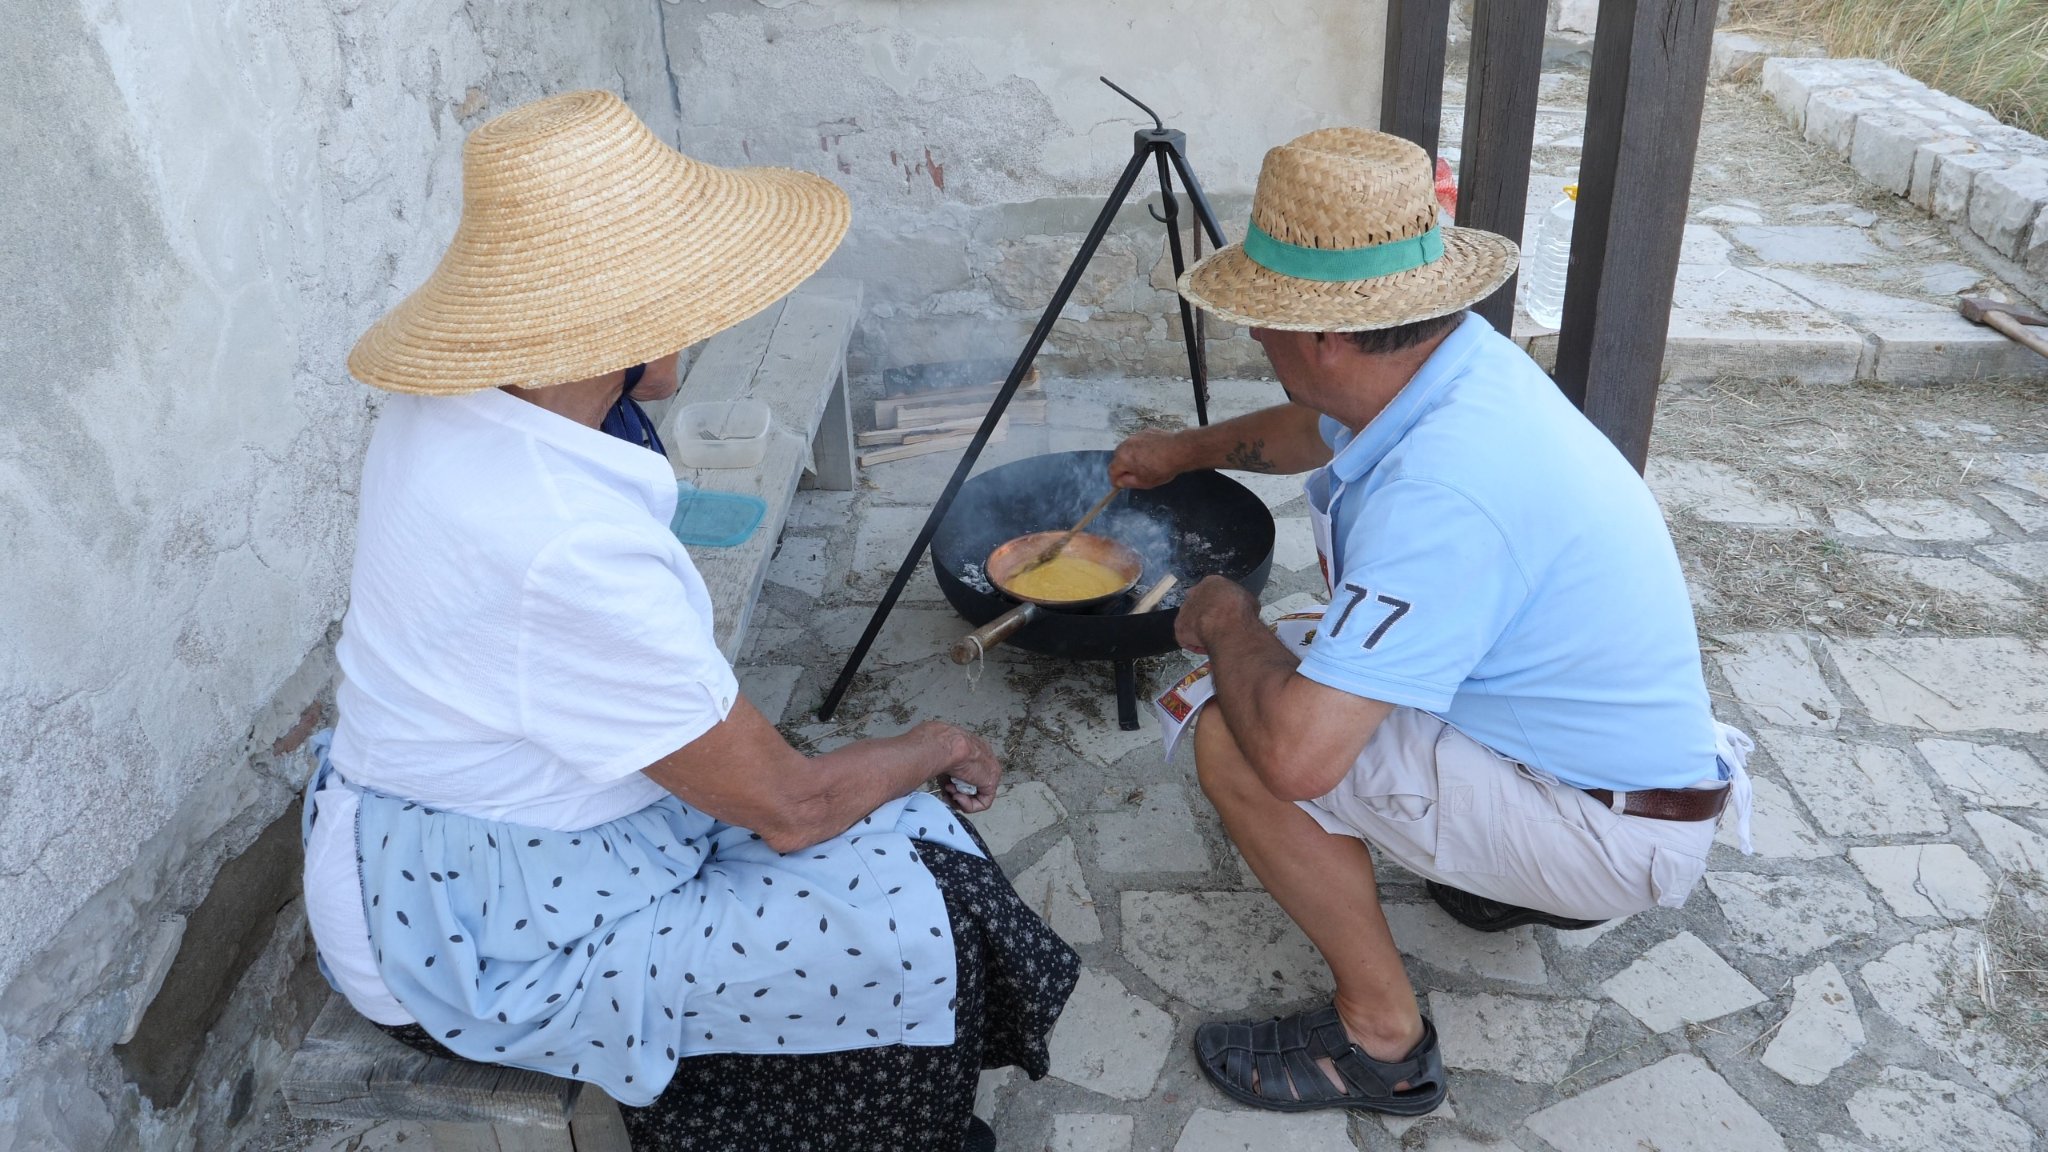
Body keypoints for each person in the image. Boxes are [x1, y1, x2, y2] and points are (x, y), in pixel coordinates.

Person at [300, 90, 1077, 1152]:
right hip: (474, 931)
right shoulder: (560, 543)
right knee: (903, 925)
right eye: (687, 293)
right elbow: (793, 810)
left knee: (911, 836)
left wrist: (881, 771)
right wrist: (933, 742)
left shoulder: (461, 403)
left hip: (458, 837)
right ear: (621, 324)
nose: (707, 317)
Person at [1108, 128, 1752, 1117]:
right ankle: (1503, 874)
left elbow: (1298, 761)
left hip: (1612, 827)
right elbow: (1307, 426)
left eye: (1262, 320)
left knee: (1237, 726)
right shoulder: (1439, 367)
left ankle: (1379, 1045)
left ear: (1322, 335)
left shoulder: (1447, 490)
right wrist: (1186, 451)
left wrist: (1225, 618)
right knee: (1301, 642)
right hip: (1617, 767)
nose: (1254, 340)